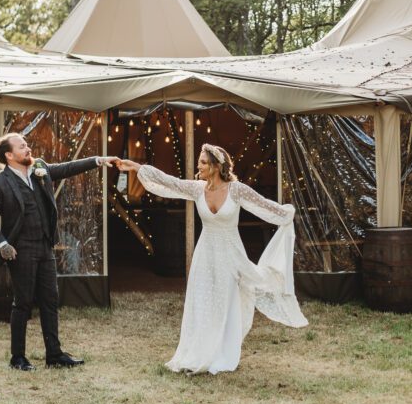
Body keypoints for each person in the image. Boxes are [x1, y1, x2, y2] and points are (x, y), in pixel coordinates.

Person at [116, 144, 307, 374]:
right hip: (205, 255)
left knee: (225, 303)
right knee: (201, 303)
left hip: (230, 256)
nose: (199, 166)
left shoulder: (236, 190)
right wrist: (137, 167)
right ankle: (197, 352)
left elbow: (263, 205)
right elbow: (168, 182)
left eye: (203, 162)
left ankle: (221, 354)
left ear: (217, 166)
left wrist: (287, 214)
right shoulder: (197, 189)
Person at [0, 132, 119, 371]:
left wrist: (97, 160)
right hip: (20, 251)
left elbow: (67, 168)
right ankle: (18, 358)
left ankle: (54, 354)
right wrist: (3, 244)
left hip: (45, 247)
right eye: (22, 147)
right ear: (9, 155)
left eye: (27, 145)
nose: (28, 149)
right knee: (22, 303)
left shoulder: (39, 169)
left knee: (50, 301)